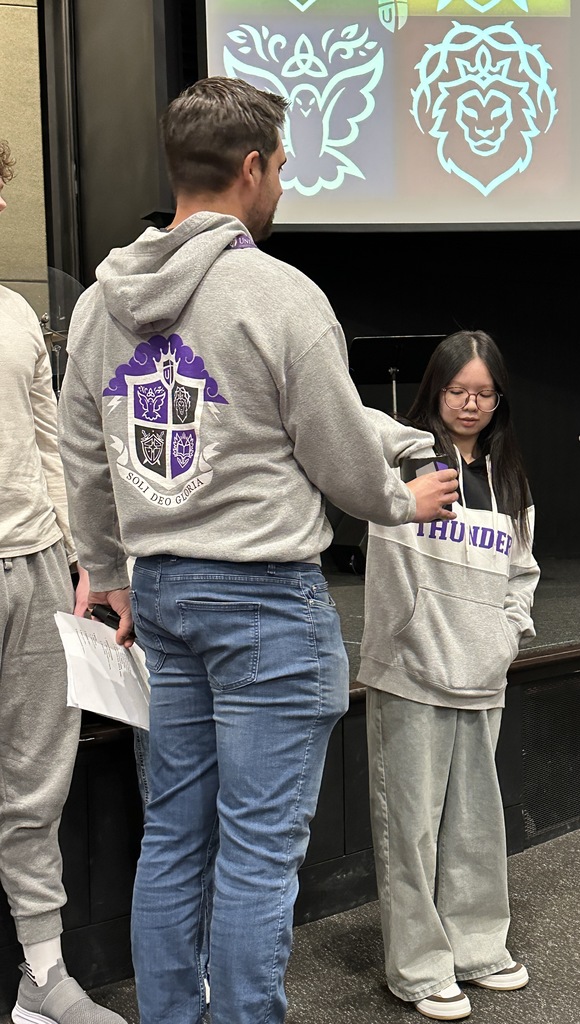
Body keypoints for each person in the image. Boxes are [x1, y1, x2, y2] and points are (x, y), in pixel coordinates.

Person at [56, 77, 458, 1024]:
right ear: (250, 169)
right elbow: (339, 462)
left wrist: (107, 571)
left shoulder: (98, 306)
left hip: (160, 599)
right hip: (267, 611)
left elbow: (85, 454)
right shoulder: (280, 296)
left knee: (176, 844)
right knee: (257, 856)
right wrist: (401, 498)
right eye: (281, 166)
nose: (283, 182)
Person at [359, 330, 540, 1021]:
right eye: (458, 390)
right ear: (435, 390)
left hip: (480, 669)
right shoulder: (403, 460)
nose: (471, 404)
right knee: (408, 828)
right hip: (409, 667)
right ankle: (419, 970)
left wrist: (509, 632)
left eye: (485, 393)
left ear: (501, 400)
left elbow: (523, 570)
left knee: (474, 826)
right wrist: (409, 441)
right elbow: (346, 418)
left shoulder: (510, 476)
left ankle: (478, 949)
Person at [0, 140, 126, 1024]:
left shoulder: (14, 316)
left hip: (36, 564)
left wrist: (84, 556)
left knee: (37, 780)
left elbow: (51, 448)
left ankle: (42, 978)